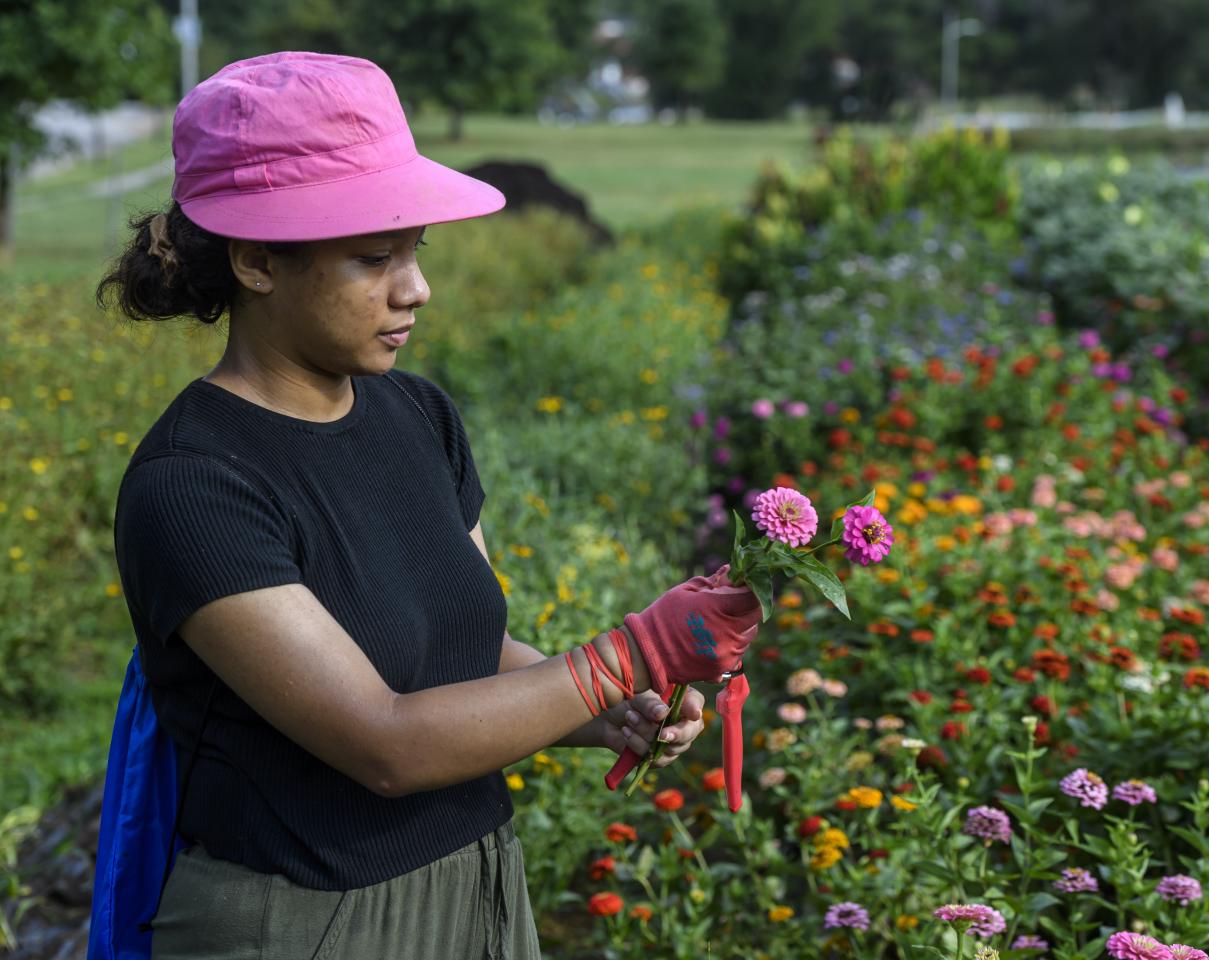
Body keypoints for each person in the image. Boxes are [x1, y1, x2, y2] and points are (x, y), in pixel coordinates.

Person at [94, 51, 762, 959]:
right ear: (255, 261)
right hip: (302, 921)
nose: (416, 289)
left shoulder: (418, 413)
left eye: (416, 251)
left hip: (477, 881)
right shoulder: (195, 484)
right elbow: (387, 744)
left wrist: (611, 710)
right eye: (375, 258)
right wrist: (629, 653)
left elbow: (468, 647)